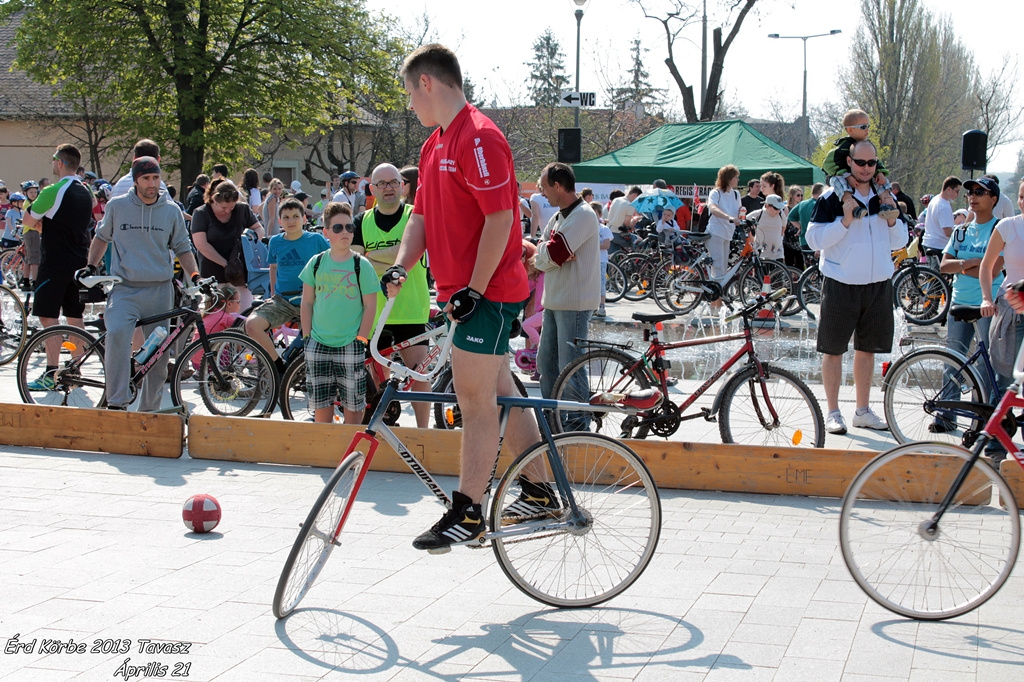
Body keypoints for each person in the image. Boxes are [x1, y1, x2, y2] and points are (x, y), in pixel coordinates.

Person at [383, 43, 542, 552]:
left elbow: (501, 219)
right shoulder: (435, 146)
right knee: (499, 389)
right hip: (463, 295)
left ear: (427, 83)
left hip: (489, 293)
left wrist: (473, 288)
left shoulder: (480, 137)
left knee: (473, 399)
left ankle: (469, 509)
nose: (411, 103)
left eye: (410, 92)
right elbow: (421, 219)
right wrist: (399, 267)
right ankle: (540, 489)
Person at [76, 157, 199, 411]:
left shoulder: (171, 210)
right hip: (125, 288)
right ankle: (117, 402)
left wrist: (195, 276)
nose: (153, 183)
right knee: (118, 334)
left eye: (156, 177)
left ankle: (149, 411)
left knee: (159, 353)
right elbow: (101, 238)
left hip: (160, 290)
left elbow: (183, 248)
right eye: (146, 178)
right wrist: (91, 265)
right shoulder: (118, 206)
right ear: (135, 180)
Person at [806, 140, 907, 435]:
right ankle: (833, 411)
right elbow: (813, 241)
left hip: (877, 285)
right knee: (833, 350)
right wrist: (845, 222)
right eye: (860, 162)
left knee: (868, 351)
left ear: (877, 164)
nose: (865, 168)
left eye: (871, 163)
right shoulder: (831, 198)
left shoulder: (884, 195)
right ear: (849, 162)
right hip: (841, 284)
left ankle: (862, 411)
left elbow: (900, 241)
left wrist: (891, 219)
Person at [352, 163, 432, 428]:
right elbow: (355, 262)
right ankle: (383, 427)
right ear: (372, 188)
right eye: (382, 184)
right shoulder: (361, 222)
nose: (388, 188)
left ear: (402, 185)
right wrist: (398, 255)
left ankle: (424, 432)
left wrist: (373, 256)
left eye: (394, 182)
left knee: (419, 374)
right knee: (378, 378)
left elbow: (413, 250)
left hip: (410, 309)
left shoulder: (416, 216)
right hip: (374, 311)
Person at [933, 176, 1005, 431]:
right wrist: (972, 263)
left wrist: (963, 265)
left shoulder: (1000, 229)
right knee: (952, 360)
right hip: (959, 303)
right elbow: (944, 265)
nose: (972, 196)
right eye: (970, 192)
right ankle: (945, 416)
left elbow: (994, 271)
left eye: (980, 192)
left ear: (993, 199)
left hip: (988, 305)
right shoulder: (961, 230)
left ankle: (980, 421)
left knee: (987, 366)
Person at [22, 144, 94, 390]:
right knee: (76, 317)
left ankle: (51, 373)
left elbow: (29, 220)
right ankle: (75, 369)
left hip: (54, 262)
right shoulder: (87, 191)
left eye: (54, 160)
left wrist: (43, 226)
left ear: (60, 162)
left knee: (48, 317)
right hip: (78, 261)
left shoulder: (53, 190)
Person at [299, 202, 377, 424]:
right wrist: (307, 337)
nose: (345, 232)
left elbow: (371, 306)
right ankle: (324, 453)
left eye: (349, 227)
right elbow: (306, 303)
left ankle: (349, 450)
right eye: (338, 228)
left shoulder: (361, 265)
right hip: (318, 343)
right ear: (326, 232)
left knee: (353, 404)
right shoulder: (316, 263)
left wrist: (361, 339)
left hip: (350, 343)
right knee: (321, 404)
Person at [533, 162, 600, 400]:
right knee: (546, 365)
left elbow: (553, 253)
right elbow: (543, 253)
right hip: (554, 300)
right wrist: (548, 254)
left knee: (570, 368)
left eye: (544, 187)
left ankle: (576, 424)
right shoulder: (560, 216)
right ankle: (552, 421)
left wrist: (547, 254)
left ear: (559, 186)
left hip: (574, 303)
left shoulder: (582, 214)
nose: (542, 192)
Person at [244, 197, 328, 374]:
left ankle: (304, 369)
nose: (291, 221)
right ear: (280, 220)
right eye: (287, 217)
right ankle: (277, 365)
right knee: (252, 325)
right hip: (283, 301)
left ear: (304, 219)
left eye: (296, 216)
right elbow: (273, 268)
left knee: (314, 338)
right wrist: (273, 294)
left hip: (313, 301)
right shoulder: (275, 241)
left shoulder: (316, 240)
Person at [190, 179, 265, 308]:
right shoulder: (201, 213)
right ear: (214, 200)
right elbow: (201, 244)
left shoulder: (243, 209)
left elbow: (259, 229)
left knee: (242, 315)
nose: (228, 211)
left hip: (240, 274)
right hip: (212, 272)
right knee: (215, 316)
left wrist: (251, 239)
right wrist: (225, 264)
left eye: (232, 207)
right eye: (224, 207)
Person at [980, 178, 1024, 383]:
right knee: (1005, 381)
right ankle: (996, 416)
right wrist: (986, 298)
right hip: (1012, 311)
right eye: (1022, 197)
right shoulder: (1007, 226)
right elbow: (986, 265)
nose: (1023, 202)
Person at [822, 109, 899, 221]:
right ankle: (853, 207)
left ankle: (886, 204)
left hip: (864, 177)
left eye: (868, 126)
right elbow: (828, 165)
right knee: (837, 181)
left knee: (878, 179)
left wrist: (880, 172)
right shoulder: (841, 148)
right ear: (850, 130)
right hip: (843, 177)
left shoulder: (868, 145)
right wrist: (847, 176)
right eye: (863, 127)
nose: (867, 129)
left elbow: (876, 161)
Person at [706, 164, 742, 279]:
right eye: (736, 177)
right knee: (718, 267)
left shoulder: (736, 194)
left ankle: (720, 292)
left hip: (728, 233)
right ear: (729, 178)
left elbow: (739, 211)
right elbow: (713, 208)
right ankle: (716, 295)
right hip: (716, 232)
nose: (738, 180)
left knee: (724, 266)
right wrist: (728, 217)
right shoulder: (716, 193)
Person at [922, 176, 962, 261]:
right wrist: (960, 239)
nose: (958, 194)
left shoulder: (935, 200)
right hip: (939, 245)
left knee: (933, 273)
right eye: (957, 191)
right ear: (949, 189)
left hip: (929, 242)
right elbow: (947, 231)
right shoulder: (943, 206)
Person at [748, 194, 788, 262]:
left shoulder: (781, 214)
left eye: (780, 208)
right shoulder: (758, 214)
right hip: (761, 253)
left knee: (778, 272)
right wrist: (751, 238)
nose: (778, 211)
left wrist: (780, 236)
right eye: (776, 208)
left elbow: (784, 226)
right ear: (767, 206)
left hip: (777, 253)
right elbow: (745, 222)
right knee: (762, 272)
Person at [18, 180, 42, 290]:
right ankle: (35, 282)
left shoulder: (26, 203)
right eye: (30, 192)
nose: (33, 194)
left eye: (35, 192)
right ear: (26, 194)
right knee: (35, 259)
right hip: (32, 231)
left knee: (28, 259)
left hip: (28, 232)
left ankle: (26, 281)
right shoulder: (30, 204)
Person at [595, 201, 612, 318]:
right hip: (589, 261)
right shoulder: (586, 228)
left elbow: (606, 245)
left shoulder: (604, 229)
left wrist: (592, 245)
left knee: (601, 283)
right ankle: (591, 306)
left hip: (601, 260)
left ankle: (601, 306)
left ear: (600, 215)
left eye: (595, 214)